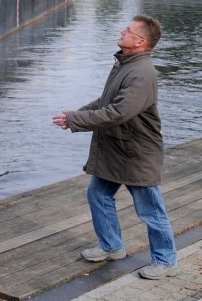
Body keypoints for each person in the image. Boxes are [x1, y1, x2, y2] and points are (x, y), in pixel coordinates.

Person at [52, 14, 178, 280]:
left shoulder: (142, 73)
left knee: (151, 211)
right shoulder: (126, 64)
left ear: (140, 41)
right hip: (119, 151)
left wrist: (76, 119)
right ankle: (111, 246)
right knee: (98, 194)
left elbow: (118, 112)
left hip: (137, 155)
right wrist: (74, 116)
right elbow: (105, 100)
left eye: (128, 30)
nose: (122, 31)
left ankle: (165, 260)